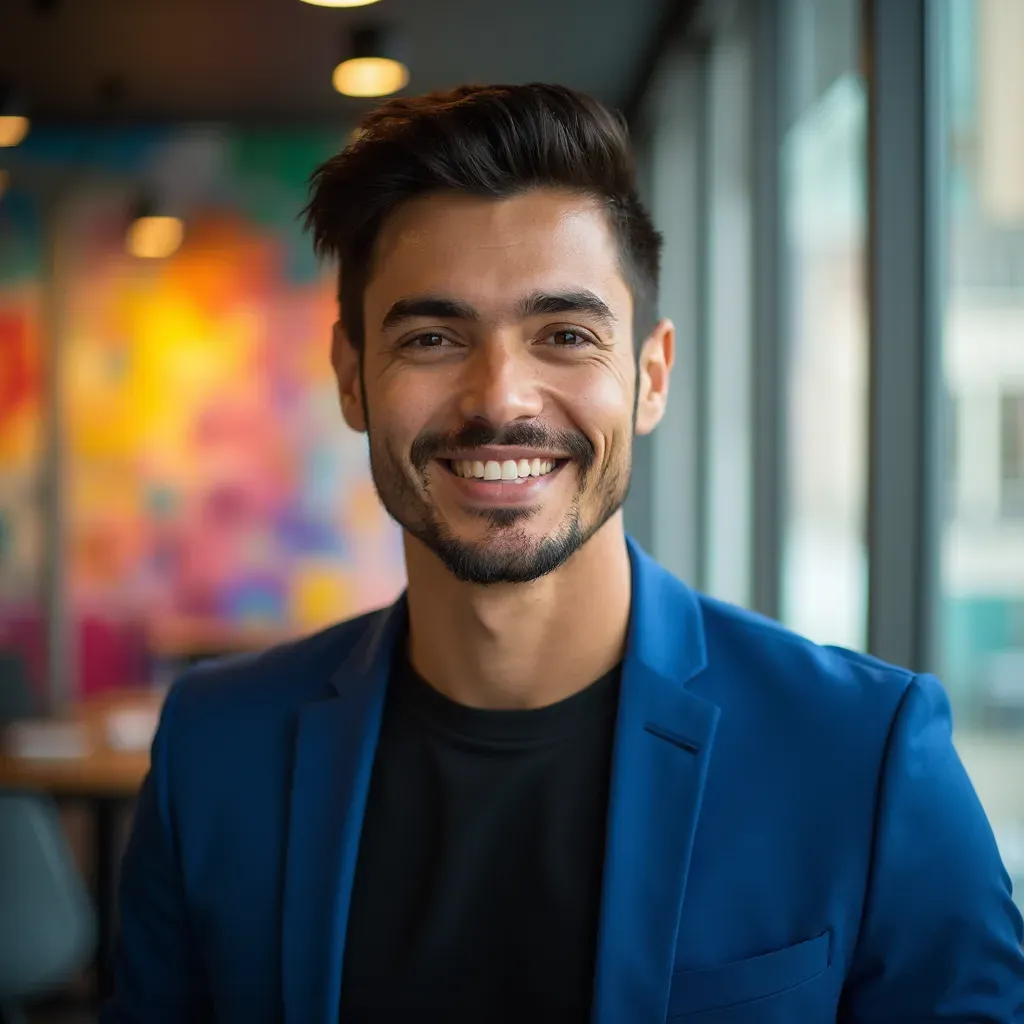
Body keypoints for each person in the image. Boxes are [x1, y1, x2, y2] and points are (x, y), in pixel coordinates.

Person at [101, 83, 1024, 1024]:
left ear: (650, 377)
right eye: (431, 337)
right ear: (351, 380)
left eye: (566, 335)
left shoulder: (864, 753)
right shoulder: (215, 753)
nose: (501, 398)